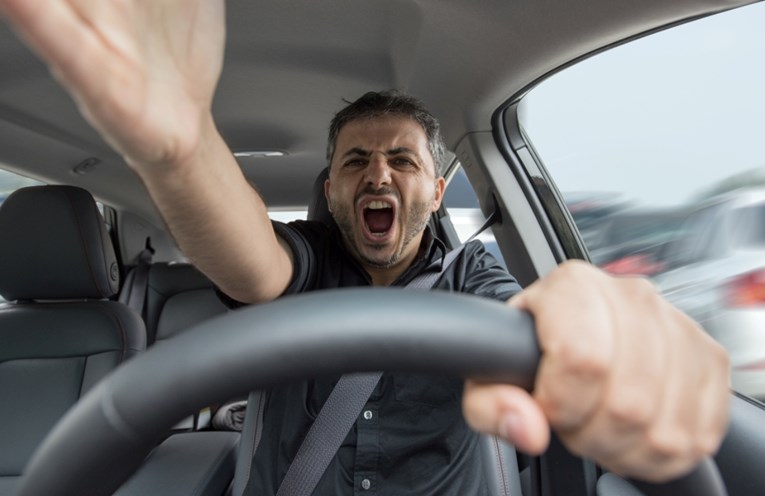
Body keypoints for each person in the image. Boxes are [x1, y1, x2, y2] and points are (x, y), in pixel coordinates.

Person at [0, 0, 730, 493]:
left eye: (402, 161)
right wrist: (180, 151)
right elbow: (255, 263)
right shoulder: (311, 260)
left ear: (436, 192)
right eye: (354, 162)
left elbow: (533, 318)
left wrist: (601, 330)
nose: (377, 173)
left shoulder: (471, 274)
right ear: (334, 187)